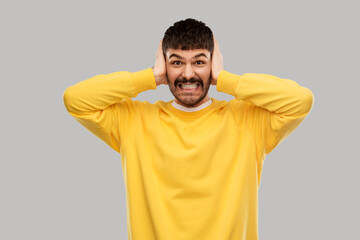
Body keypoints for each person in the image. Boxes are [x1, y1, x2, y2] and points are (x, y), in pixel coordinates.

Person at [63, 18, 314, 240]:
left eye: (199, 62)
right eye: (176, 62)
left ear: (213, 64)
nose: (188, 73)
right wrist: (151, 76)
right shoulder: (133, 120)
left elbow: (300, 101)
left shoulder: (247, 120)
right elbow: (75, 99)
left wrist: (224, 79)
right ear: (164, 65)